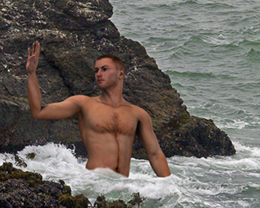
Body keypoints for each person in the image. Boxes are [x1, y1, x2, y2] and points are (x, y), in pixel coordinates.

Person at [26, 41, 171, 177]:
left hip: (123, 187)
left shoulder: (138, 114)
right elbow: (38, 112)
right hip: (94, 183)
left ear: (121, 73)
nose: (98, 74)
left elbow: (155, 154)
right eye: (96, 70)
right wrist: (32, 74)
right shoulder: (83, 103)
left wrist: (170, 188)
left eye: (105, 69)